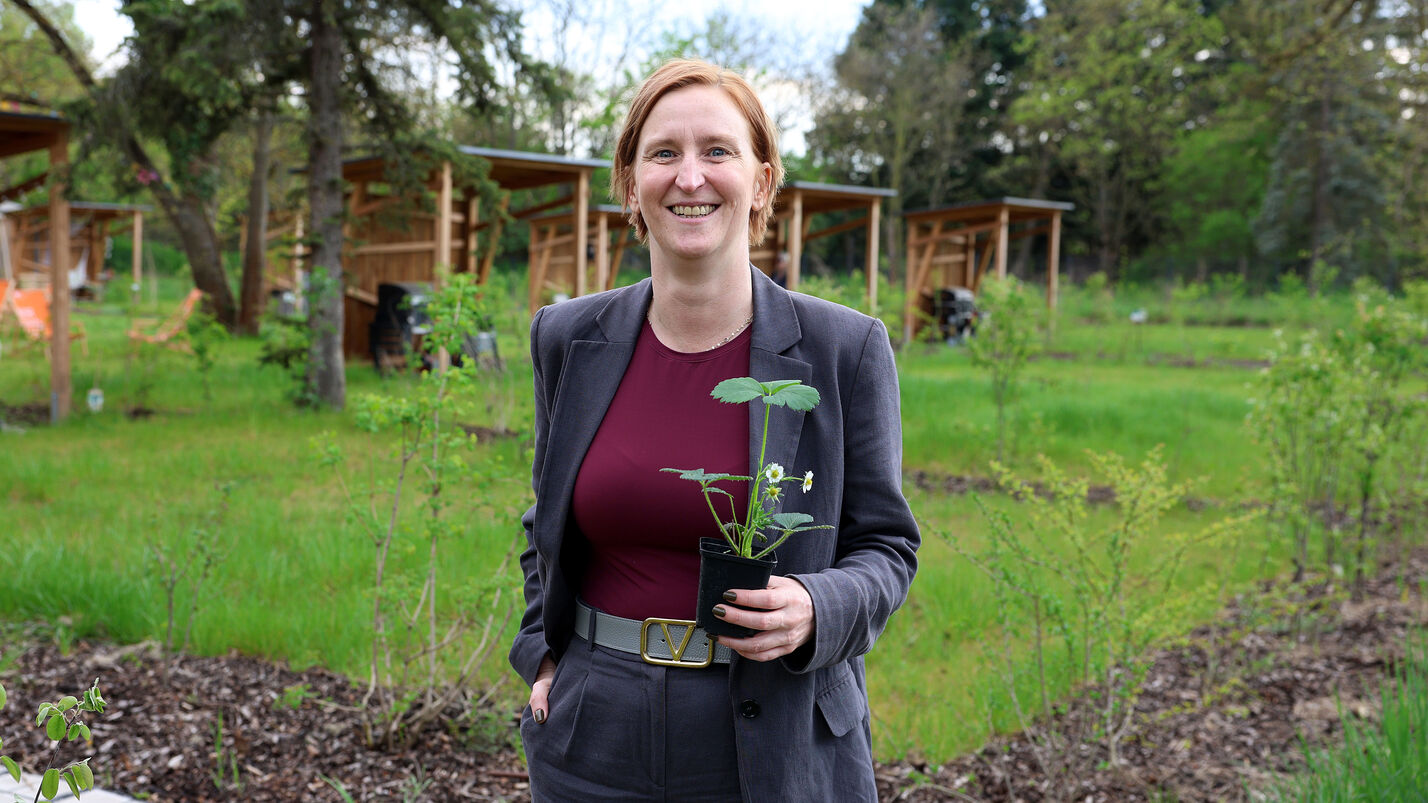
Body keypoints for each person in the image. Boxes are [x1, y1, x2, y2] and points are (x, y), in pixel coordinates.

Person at [510, 58, 919, 802]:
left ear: (762, 180)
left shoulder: (843, 349)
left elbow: (888, 546)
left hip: (770, 737)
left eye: (718, 151)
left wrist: (816, 607)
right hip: (592, 736)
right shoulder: (567, 338)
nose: (689, 177)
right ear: (631, 184)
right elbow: (547, 518)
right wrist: (542, 655)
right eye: (663, 153)